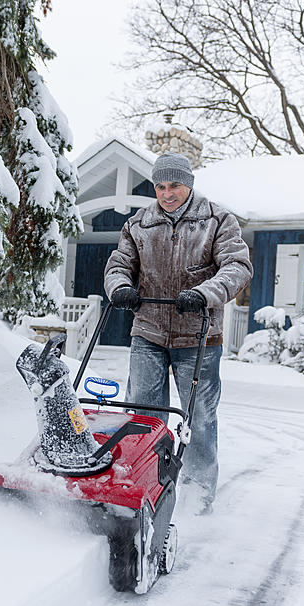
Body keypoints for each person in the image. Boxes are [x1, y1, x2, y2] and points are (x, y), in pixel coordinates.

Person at [104, 152, 252, 514]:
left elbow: (237, 266)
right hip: (149, 332)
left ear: (189, 184)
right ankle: (141, 487)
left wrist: (204, 294)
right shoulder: (139, 224)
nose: (167, 193)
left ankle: (197, 500)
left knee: (198, 419)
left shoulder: (218, 220)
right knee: (143, 415)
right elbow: (119, 264)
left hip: (198, 336)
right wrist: (119, 287)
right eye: (161, 186)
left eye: (175, 185)